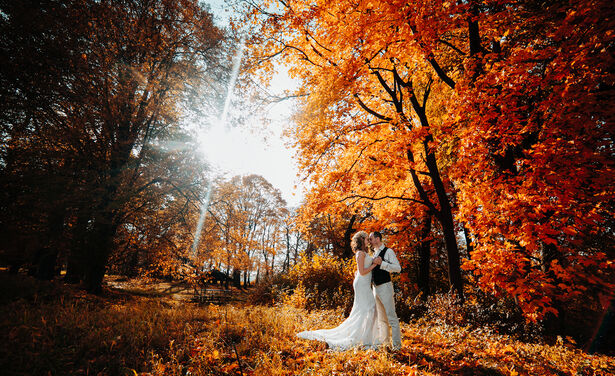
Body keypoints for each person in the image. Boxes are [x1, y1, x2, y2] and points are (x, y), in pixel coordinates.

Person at [296, 231, 387, 350]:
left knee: (367, 309)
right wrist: (374, 264)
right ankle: (362, 337)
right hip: (362, 284)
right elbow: (362, 271)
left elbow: (358, 271)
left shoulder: (365, 253)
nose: (368, 241)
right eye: (366, 239)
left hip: (364, 282)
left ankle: (367, 336)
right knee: (369, 308)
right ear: (361, 240)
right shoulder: (360, 253)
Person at [369, 231, 402, 350]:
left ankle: (397, 346)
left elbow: (398, 268)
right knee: (381, 319)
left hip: (385, 287)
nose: (370, 241)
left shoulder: (388, 251)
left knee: (391, 317)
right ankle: (386, 344)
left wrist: (382, 263)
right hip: (375, 288)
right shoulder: (374, 253)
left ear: (377, 239)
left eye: (371, 239)